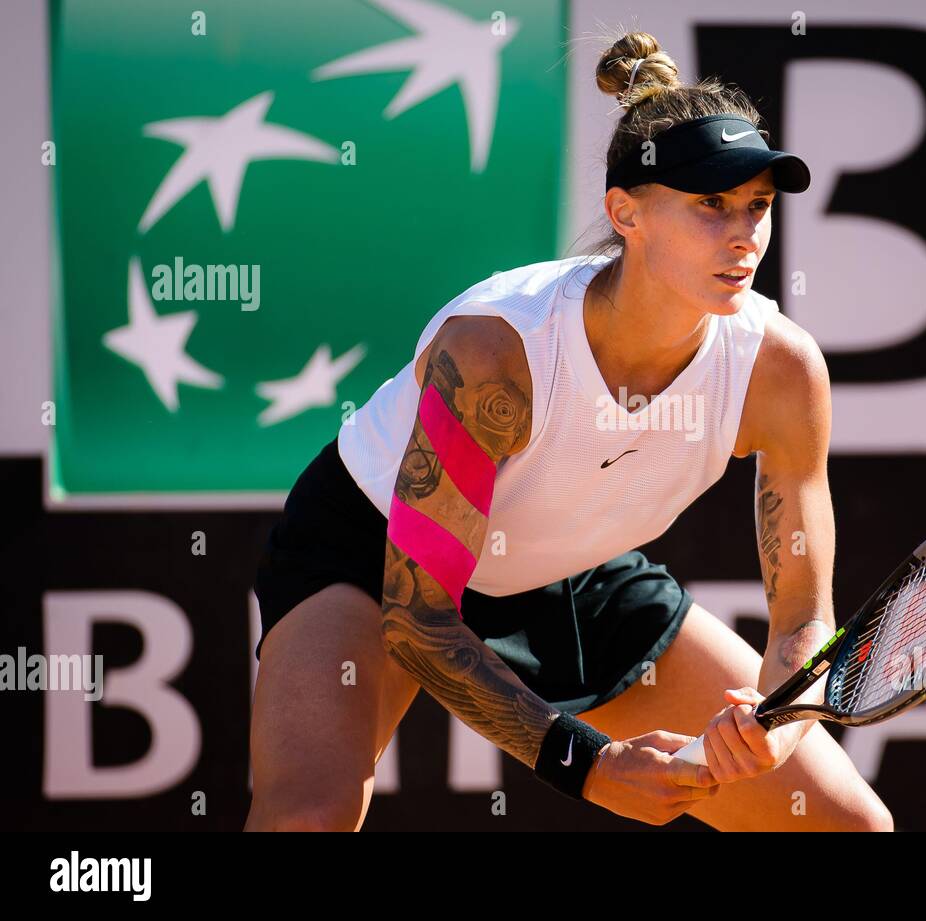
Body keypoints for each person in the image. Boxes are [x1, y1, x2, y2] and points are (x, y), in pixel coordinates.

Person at [246, 30, 893, 832]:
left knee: (848, 826)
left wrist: (774, 724)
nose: (745, 234)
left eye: (758, 205)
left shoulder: (782, 370)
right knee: (308, 815)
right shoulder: (495, 352)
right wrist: (588, 765)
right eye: (710, 205)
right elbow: (419, 620)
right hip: (377, 553)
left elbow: (802, 615)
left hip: (566, 568)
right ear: (626, 213)